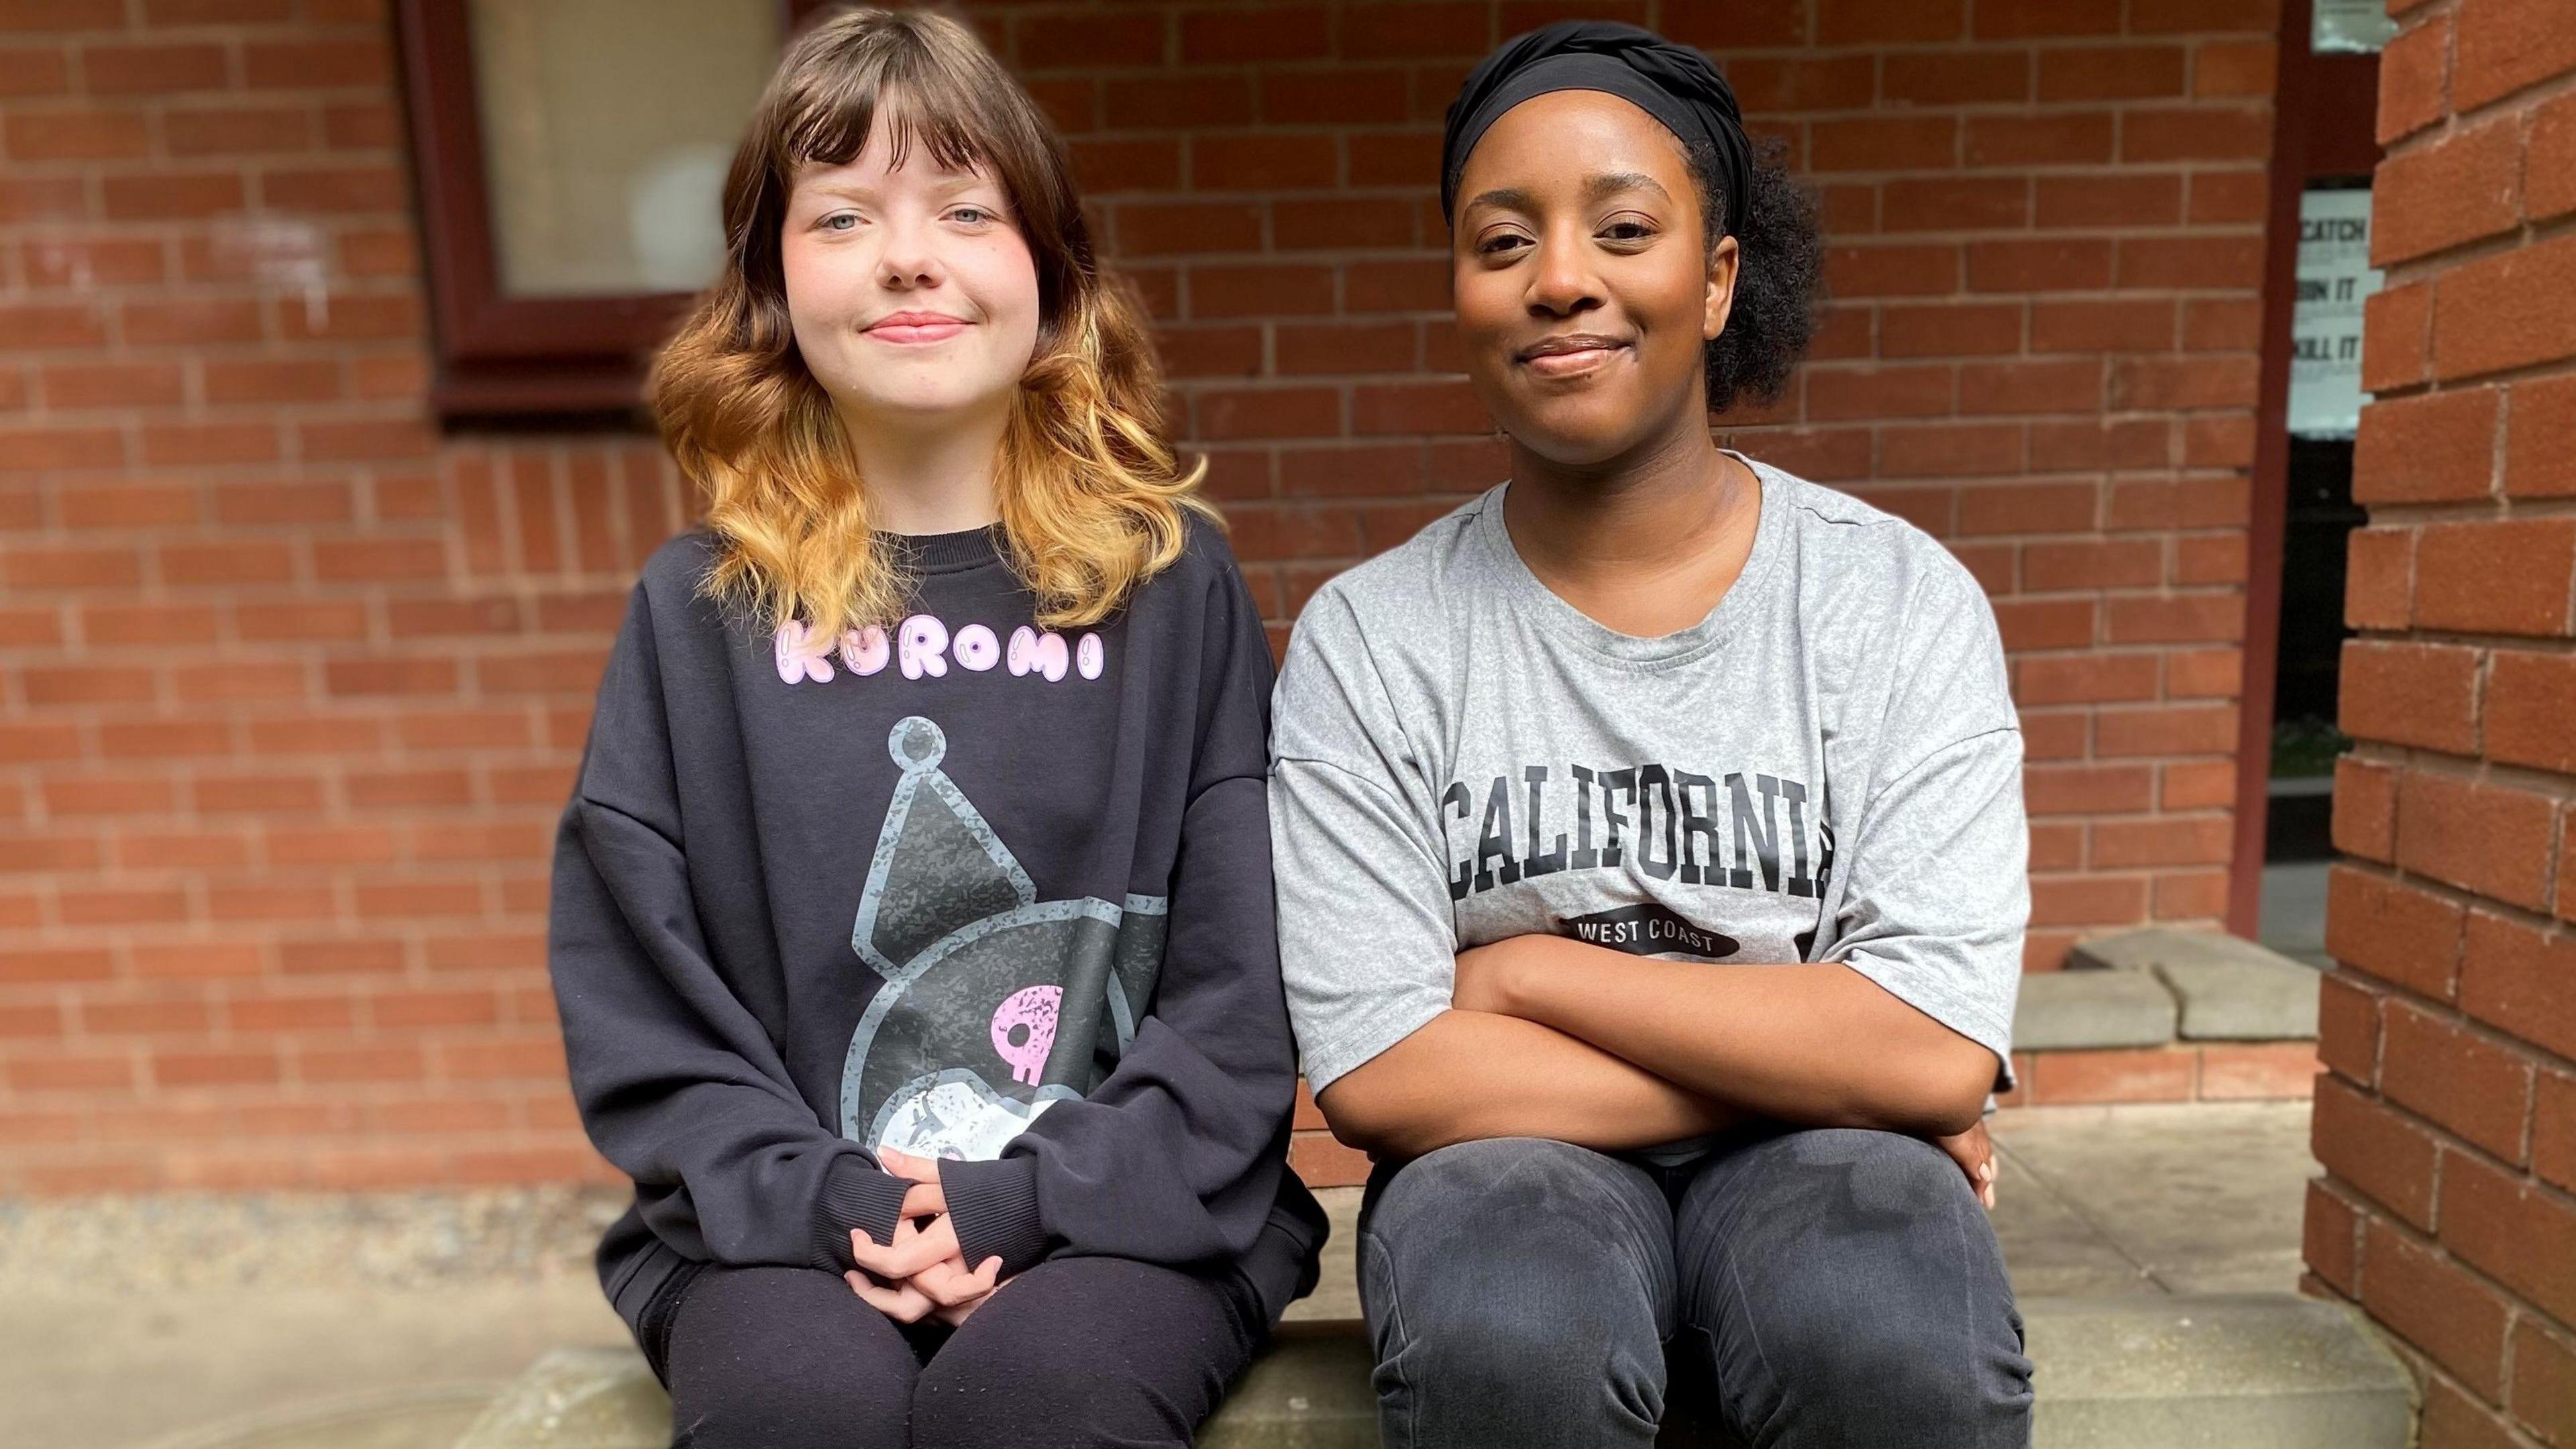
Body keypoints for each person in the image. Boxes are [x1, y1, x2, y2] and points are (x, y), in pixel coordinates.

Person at [545, 11, 1324, 1448]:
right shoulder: (695, 615)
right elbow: (642, 1003)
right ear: (774, 284)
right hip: (781, 1220)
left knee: (1037, 1401)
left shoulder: (1173, 587)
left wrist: (1023, 1197)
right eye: (843, 214)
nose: (910, 256)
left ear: (1051, 272)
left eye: (967, 208)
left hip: (1126, 1214)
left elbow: (1238, 984)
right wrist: (833, 1197)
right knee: (803, 1411)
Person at [1269, 21, 2033, 1449]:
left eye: (1624, 228)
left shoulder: (1892, 601)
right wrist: (1828, 1059)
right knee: (1510, 1328)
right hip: (1512, 1164)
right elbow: (1382, 1069)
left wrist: (1520, 970)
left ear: (1719, 274)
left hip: (1824, 1162)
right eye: (1502, 244)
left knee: (1892, 1327)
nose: (1562, 279)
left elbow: (1928, 1043)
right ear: (1461, 292)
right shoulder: (1374, 640)